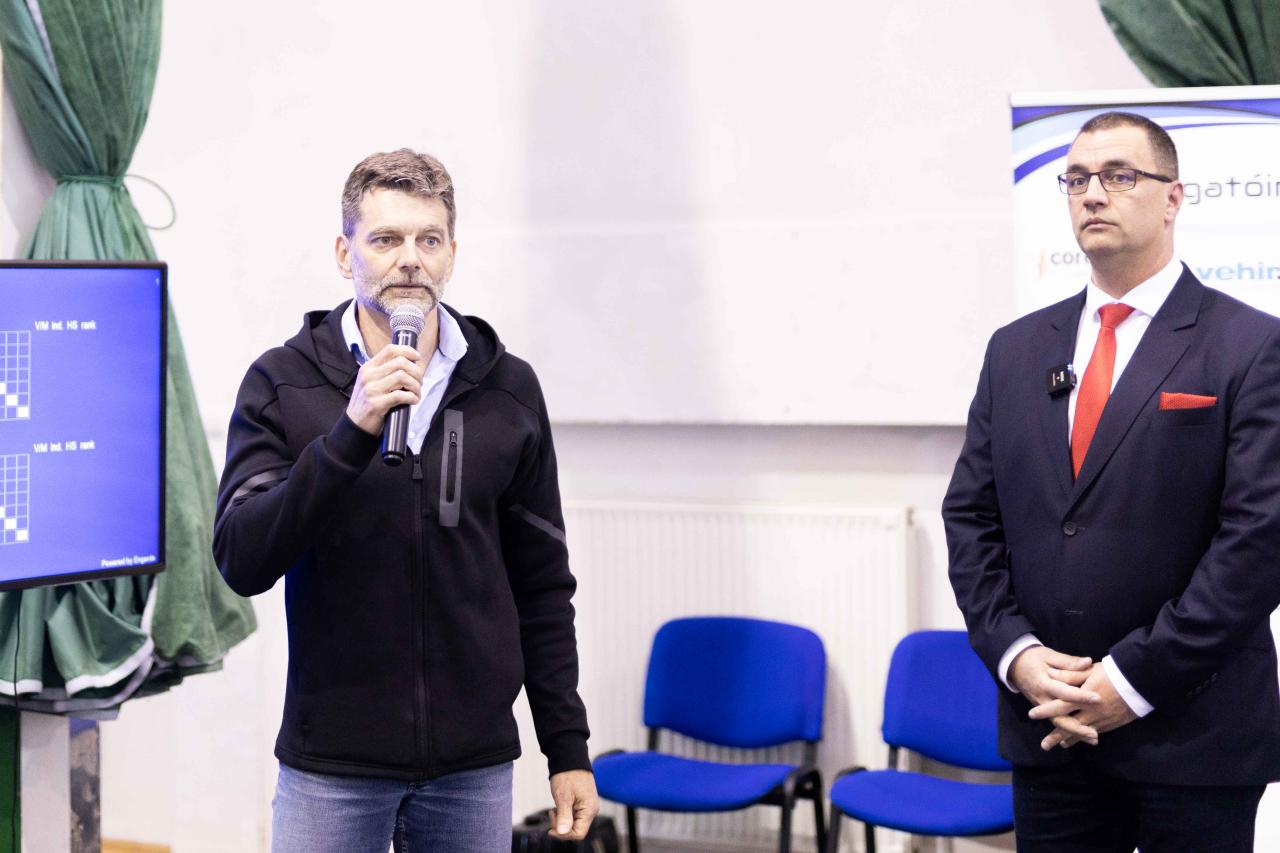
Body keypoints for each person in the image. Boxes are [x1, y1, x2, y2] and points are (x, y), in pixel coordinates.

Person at [213, 149, 598, 852]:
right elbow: (242, 557)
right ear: (345, 254)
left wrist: (566, 745)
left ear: (452, 253)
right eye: (386, 239)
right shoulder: (281, 383)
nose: (410, 260)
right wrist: (350, 432)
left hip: (472, 769)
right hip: (332, 766)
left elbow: (542, 583)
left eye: (429, 239)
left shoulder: (508, 389)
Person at [944, 112, 1280, 851]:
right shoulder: (1015, 349)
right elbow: (971, 518)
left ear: (1173, 198)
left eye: (1120, 176)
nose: (1093, 194)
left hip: (1194, 732)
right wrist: (1017, 655)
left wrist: (1128, 682)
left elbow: (1258, 543)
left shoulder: (1252, 345)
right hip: (1050, 726)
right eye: (1076, 179)